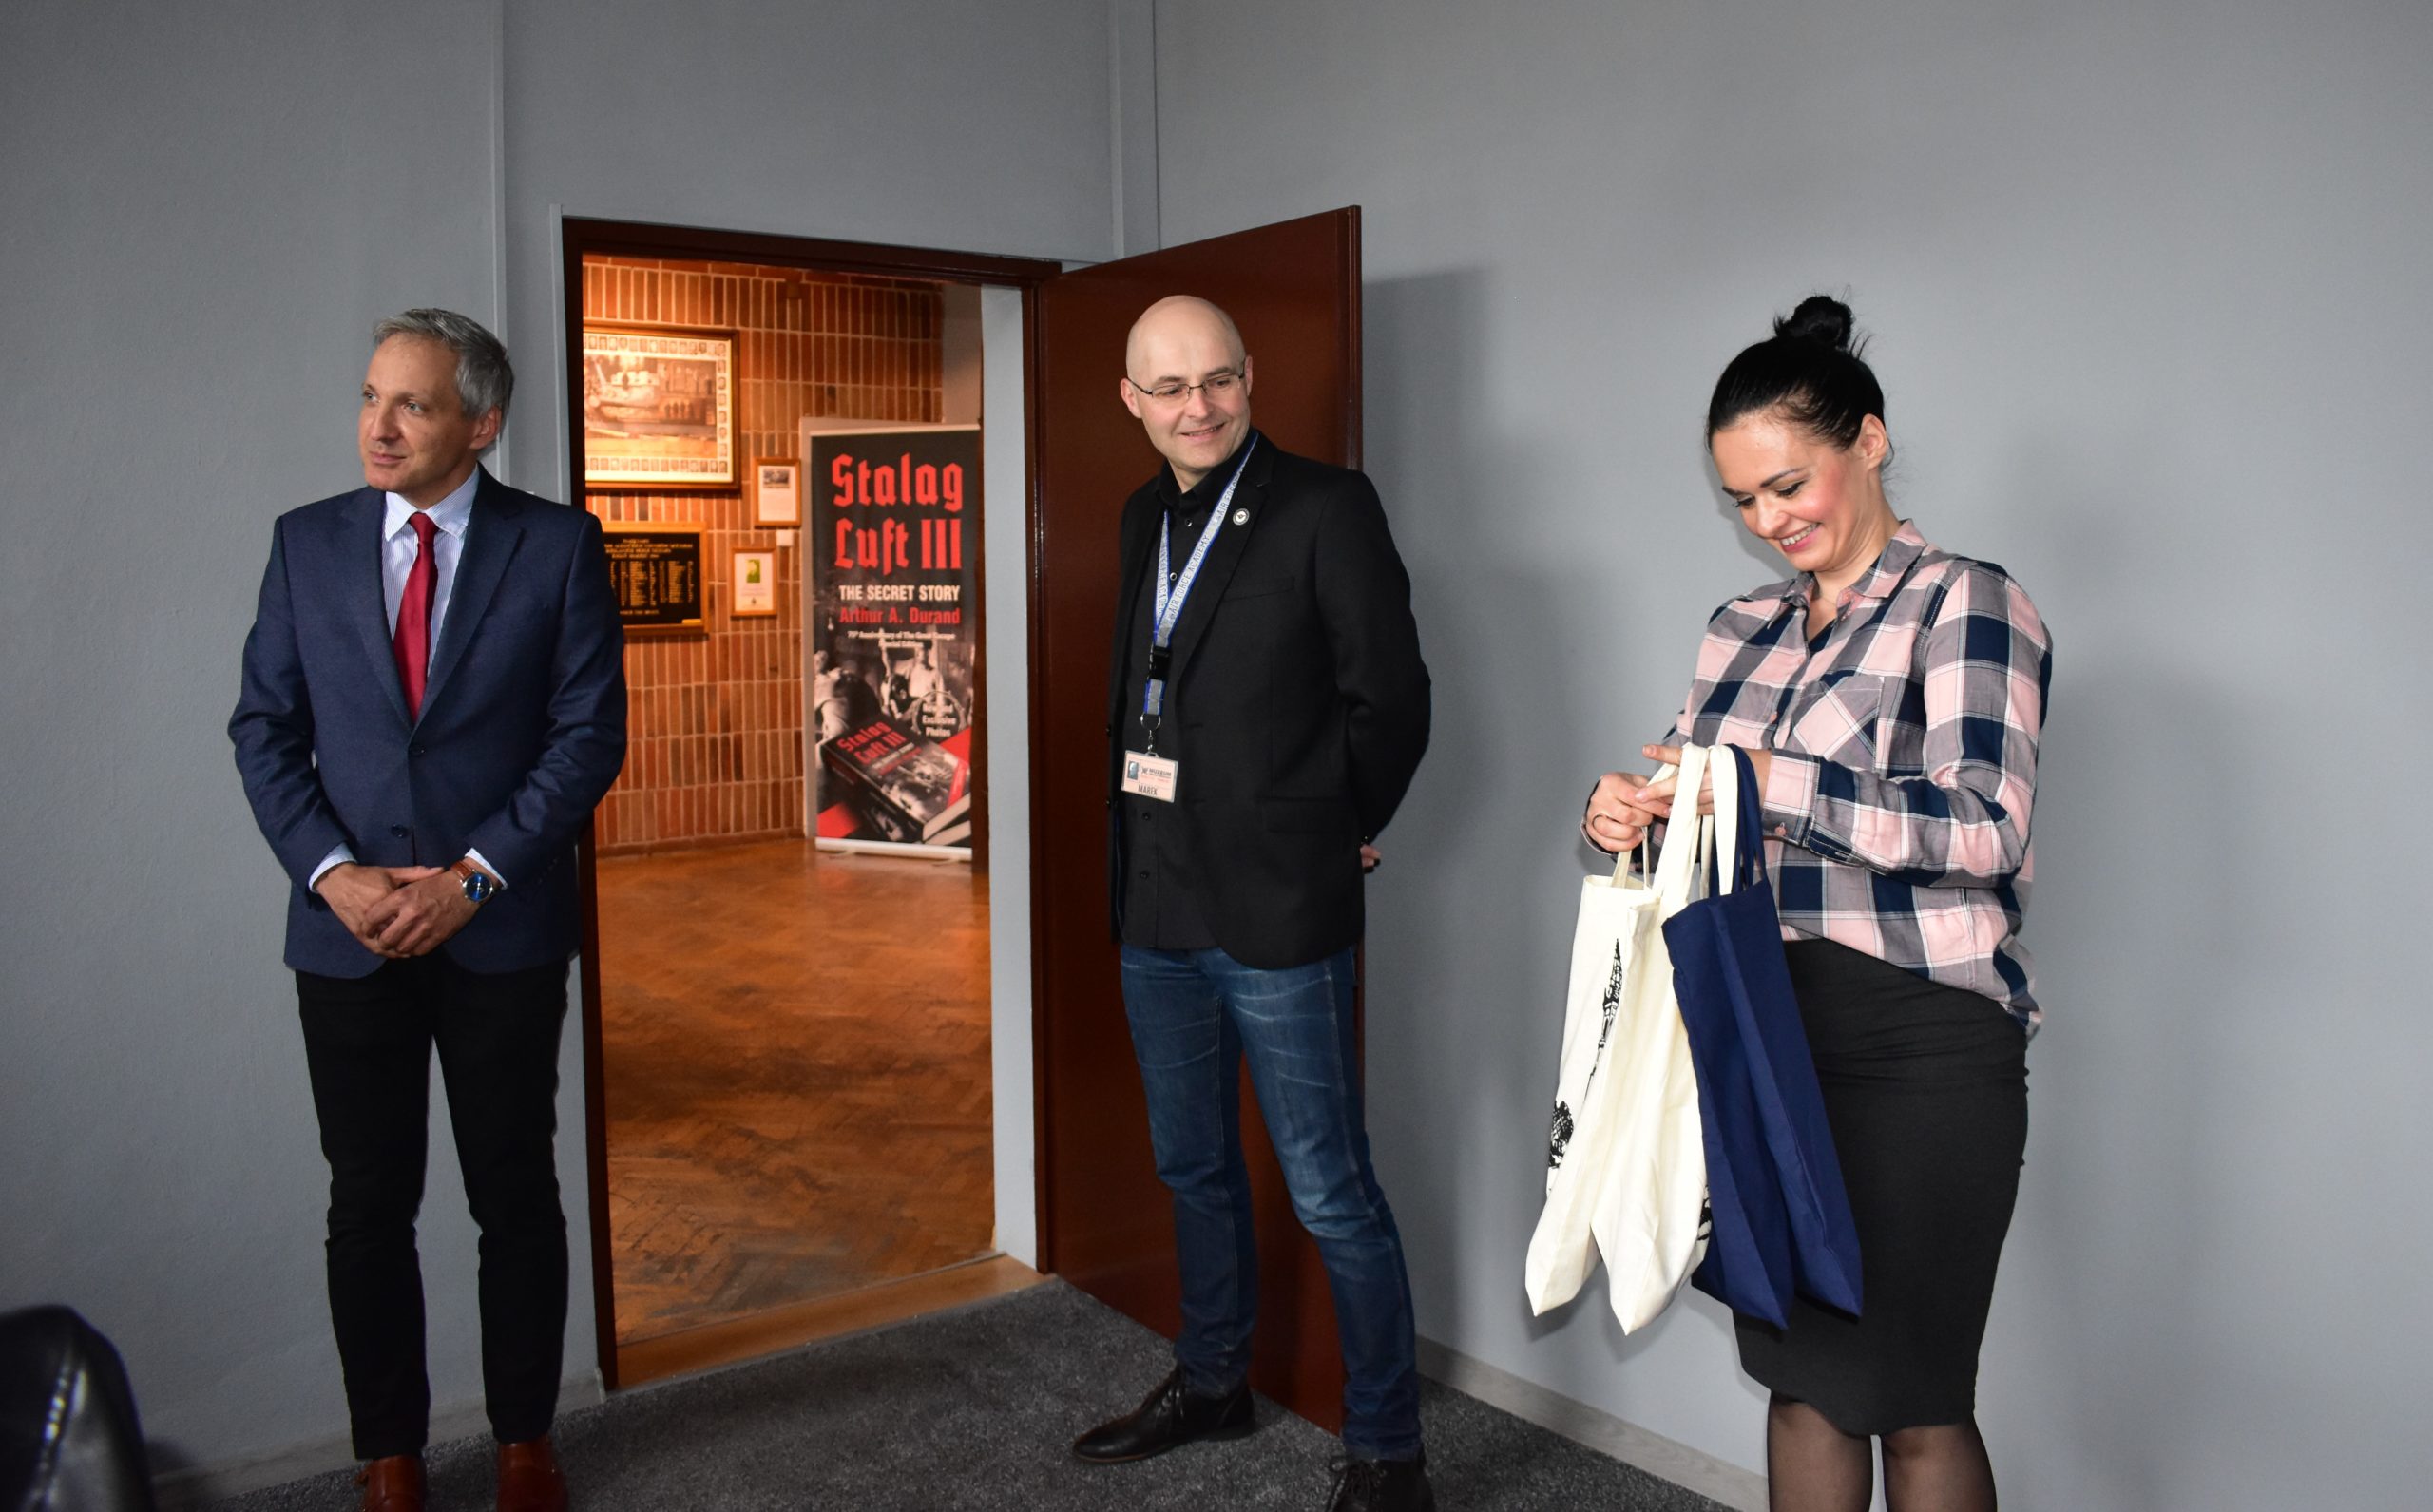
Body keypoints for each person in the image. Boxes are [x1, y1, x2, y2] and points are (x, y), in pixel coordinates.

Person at [1582, 296, 2050, 1512]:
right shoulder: (1737, 629)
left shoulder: (1965, 601)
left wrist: (1769, 782)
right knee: (1801, 1385)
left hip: (1920, 1045)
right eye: (1742, 499)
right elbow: (1703, 805)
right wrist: (1630, 811)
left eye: (1787, 484)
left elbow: (1984, 827)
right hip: (1762, 1031)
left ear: (1869, 441)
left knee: (1914, 1398)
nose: (1768, 520)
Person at [230, 310, 627, 1512]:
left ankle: (524, 1444)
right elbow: (264, 729)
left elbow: (585, 738)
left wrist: (472, 878)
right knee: (367, 1203)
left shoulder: (556, 546)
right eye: (370, 397)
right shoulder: (306, 543)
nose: (380, 425)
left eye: (412, 403)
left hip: (498, 929)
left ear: (482, 423)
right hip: (347, 936)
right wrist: (332, 873)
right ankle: (390, 1455)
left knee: (514, 1192)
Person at [1069, 296, 1435, 1512]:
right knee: (1192, 1167)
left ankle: (1386, 1453)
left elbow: (1393, 699)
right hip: (1155, 906)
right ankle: (1215, 1380)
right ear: (1133, 402)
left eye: (1218, 379)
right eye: (1171, 388)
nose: (1199, 407)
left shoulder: (1328, 506)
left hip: (1279, 913)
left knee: (1331, 1191)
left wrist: (1335, 829)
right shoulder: (1142, 515)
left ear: (1248, 377)